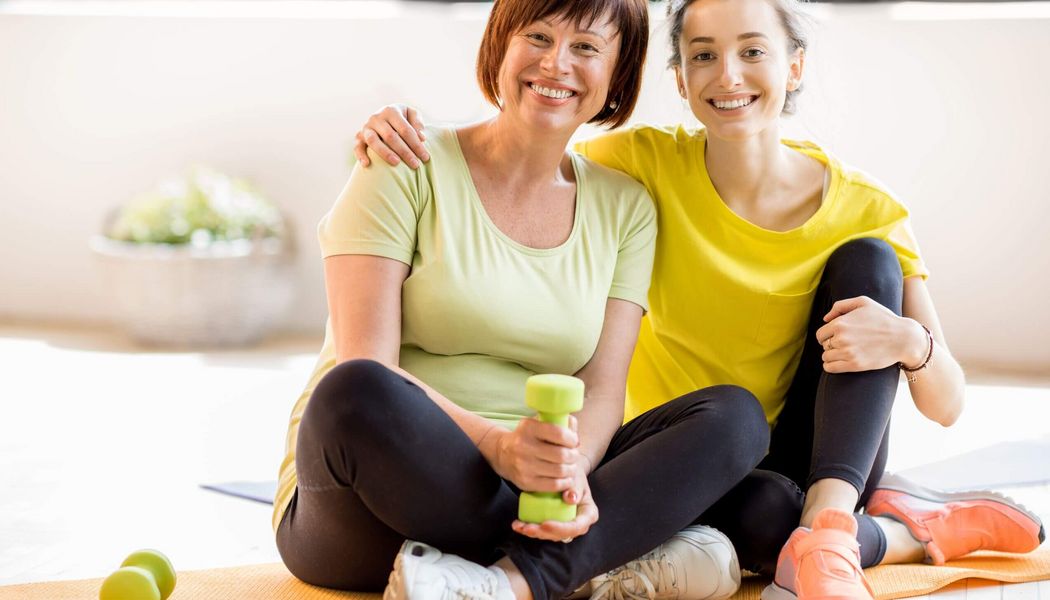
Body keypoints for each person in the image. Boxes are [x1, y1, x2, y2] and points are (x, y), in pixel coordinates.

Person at [351, 0, 1046, 597]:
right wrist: (404, 130)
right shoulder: (640, 166)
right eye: (704, 55)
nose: (729, 75)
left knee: (868, 262)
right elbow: (531, 139)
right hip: (697, 451)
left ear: (794, 66)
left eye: (753, 51)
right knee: (767, 523)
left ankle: (835, 526)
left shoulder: (868, 206)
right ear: (680, 79)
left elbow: (947, 405)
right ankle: (903, 530)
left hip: (823, 451)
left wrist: (912, 344)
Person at [273, 1, 772, 600]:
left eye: (586, 47)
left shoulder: (625, 208)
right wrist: (499, 448)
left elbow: (602, 388)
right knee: (354, 389)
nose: (556, 63)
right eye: (537, 37)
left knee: (736, 421)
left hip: (533, 493)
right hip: (377, 494)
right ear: (500, 47)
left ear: (617, 75)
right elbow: (368, 360)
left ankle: (513, 581)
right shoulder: (404, 161)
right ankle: (594, 563)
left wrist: (570, 472)